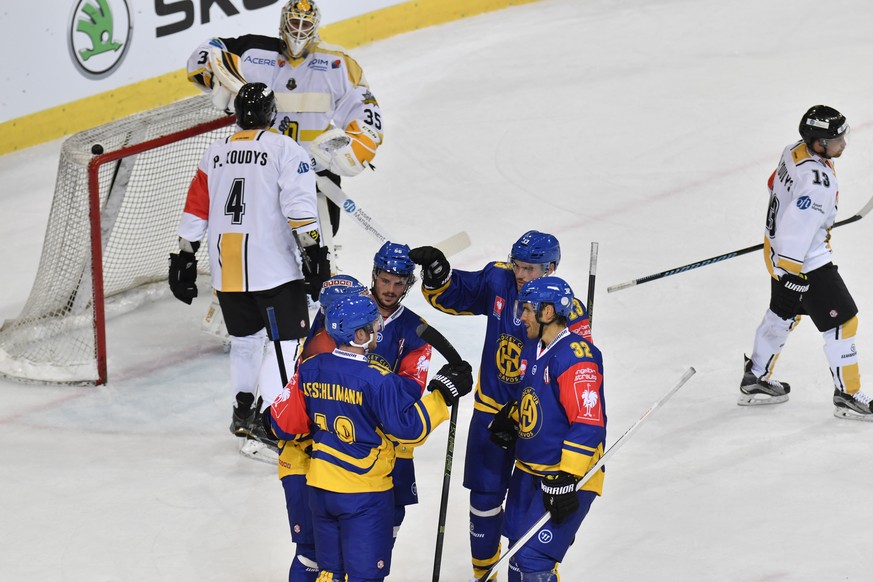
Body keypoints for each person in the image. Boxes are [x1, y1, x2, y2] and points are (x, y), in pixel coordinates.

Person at [408, 230, 592, 581]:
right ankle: (484, 575)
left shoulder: (569, 311)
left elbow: (574, 377)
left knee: (533, 507)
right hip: (492, 410)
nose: (520, 275)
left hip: (540, 423)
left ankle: (540, 564)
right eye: (517, 266)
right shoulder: (499, 278)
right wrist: (439, 276)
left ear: (550, 268)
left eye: (529, 269)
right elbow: (459, 293)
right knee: (484, 498)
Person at [169, 82, 331, 462]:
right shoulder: (285, 149)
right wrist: (314, 253)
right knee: (285, 345)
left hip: (228, 273)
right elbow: (300, 206)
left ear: (237, 114)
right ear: (272, 115)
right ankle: (271, 422)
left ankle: (243, 412)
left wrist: (185, 258)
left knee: (244, 343)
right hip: (273, 272)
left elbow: (195, 210)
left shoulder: (215, 153)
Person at [270, 294, 474, 582]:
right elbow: (410, 428)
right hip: (363, 495)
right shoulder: (379, 378)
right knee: (365, 577)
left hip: (320, 489)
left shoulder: (311, 368)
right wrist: (443, 393)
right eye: (372, 325)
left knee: (330, 573)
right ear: (359, 334)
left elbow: (286, 423)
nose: (379, 328)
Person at [186, 0, 384, 238]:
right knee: (259, 242)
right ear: (283, 22)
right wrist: (214, 75)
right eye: (294, 21)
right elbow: (204, 54)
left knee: (322, 245)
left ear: (315, 26)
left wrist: (361, 142)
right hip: (259, 170)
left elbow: (365, 106)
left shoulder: (338, 64)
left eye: (305, 23)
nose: (299, 29)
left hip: (315, 171)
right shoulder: (252, 51)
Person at [740, 105, 872, 421]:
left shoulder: (793, 151)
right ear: (817, 142)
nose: (843, 142)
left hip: (776, 252)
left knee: (783, 313)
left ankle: (756, 376)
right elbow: (797, 230)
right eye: (836, 138)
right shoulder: (817, 184)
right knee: (843, 323)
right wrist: (790, 271)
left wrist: (808, 221)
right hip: (804, 262)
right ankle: (848, 394)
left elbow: (774, 183)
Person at [488, 276, 605, 582]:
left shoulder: (575, 356)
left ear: (548, 312)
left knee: (532, 557)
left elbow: (588, 421)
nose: (522, 316)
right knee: (515, 549)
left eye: (528, 309)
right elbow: (539, 402)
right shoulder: (532, 348)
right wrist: (512, 418)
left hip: (565, 476)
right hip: (529, 470)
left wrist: (568, 477)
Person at [277, 274, 369, 582]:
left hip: (318, 465)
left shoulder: (328, 335)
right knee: (312, 554)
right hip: (306, 463)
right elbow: (290, 423)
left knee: (326, 556)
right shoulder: (326, 350)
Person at [367, 242, 433, 542]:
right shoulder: (345, 312)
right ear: (374, 275)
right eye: (385, 280)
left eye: (399, 282)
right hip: (342, 438)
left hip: (392, 445)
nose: (390, 289)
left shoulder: (416, 330)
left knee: (388, 526)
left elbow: (409, 393)